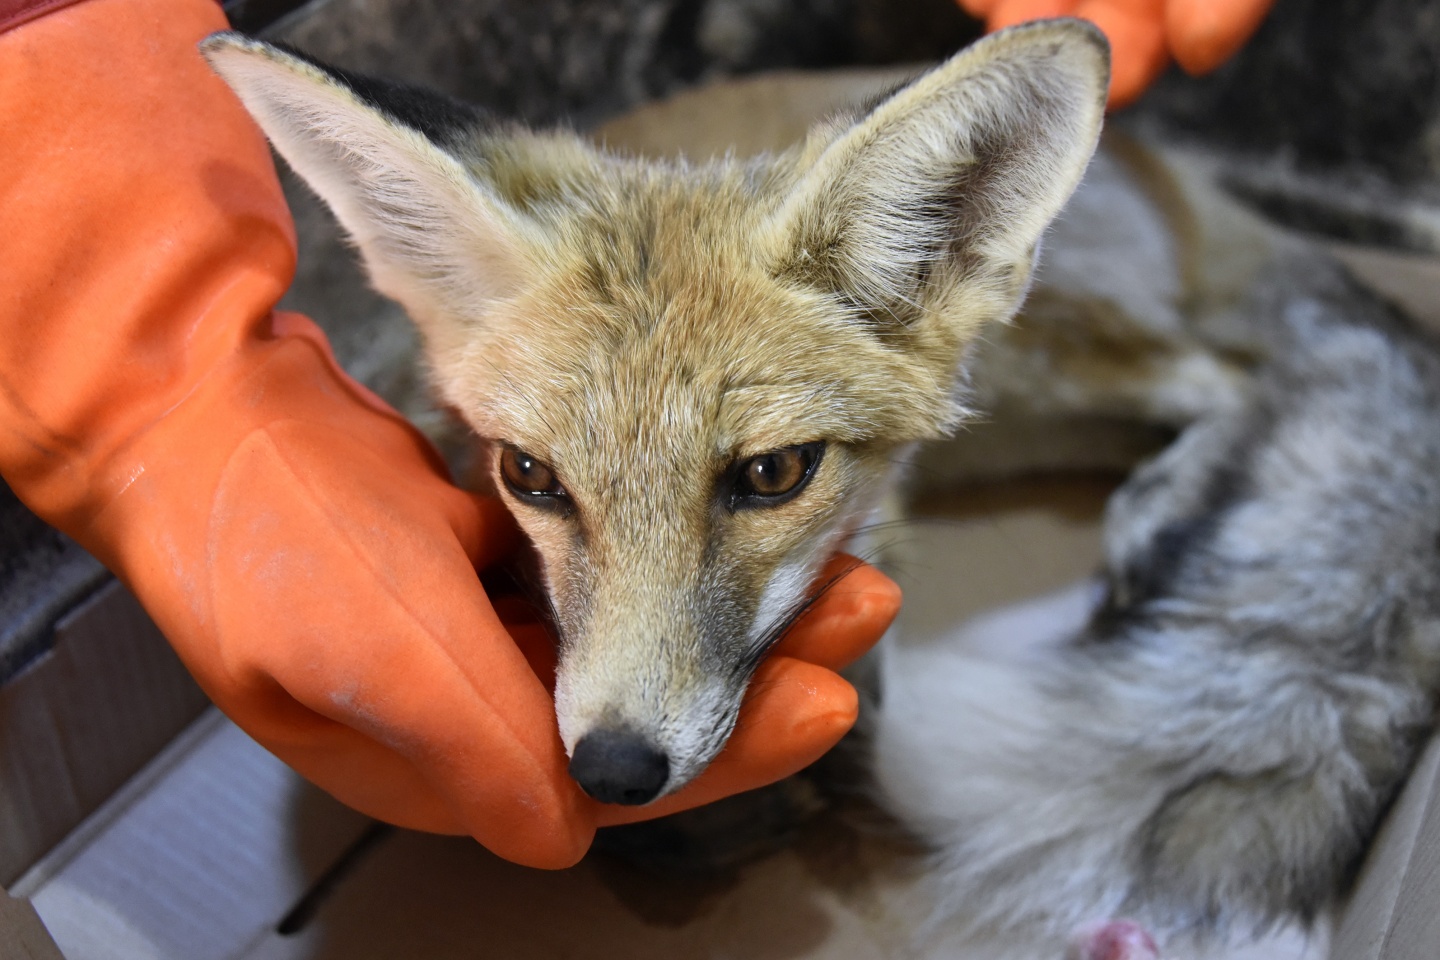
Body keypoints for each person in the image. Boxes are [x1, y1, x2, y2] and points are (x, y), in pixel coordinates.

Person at [0, 0, 1268, 869]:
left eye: (762, 471)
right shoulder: (484, 308)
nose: (622, 699)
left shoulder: (891, 297)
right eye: (539, 477)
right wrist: (149, 386)